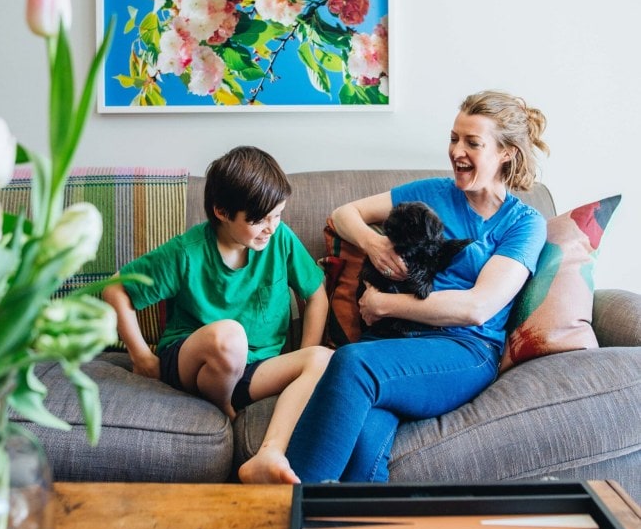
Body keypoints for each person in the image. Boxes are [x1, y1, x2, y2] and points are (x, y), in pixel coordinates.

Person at [283, 90, 549, 483]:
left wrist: (387, 306)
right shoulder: (432, 193)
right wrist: (373, 244)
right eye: (454, 138)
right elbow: (344, 215)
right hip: (396, 342)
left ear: (506, 153)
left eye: (472, 143)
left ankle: (283, 501)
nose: (457, 151)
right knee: (366, 437)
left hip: (464, 348)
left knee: (353, 363)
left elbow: (477, 307)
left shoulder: (524, 224)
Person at [102, 145, 330, 484]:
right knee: (229, 336)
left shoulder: (279, 238)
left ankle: (269, 453)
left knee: (323, 359)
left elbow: (316, 296)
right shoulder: (188, 251)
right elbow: (116, 289)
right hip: (194, 362)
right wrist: (141, 357)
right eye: (258, 219)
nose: (271, 227)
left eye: (277, 214)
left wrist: (300, 352)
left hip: (254, 369)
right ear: (222, 211)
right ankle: (218, 404)